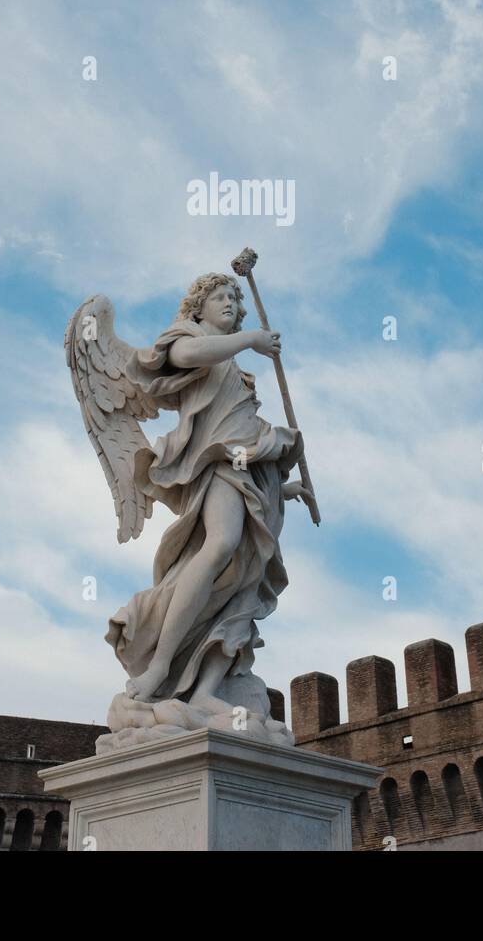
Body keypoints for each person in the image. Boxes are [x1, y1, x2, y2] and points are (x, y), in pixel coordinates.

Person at [107, 271, 308, 706]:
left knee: (245, 582)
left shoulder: (233, 364)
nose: (231, 303)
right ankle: (161, 663)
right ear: (198, 306)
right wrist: (250, 339)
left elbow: (247, 436)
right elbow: (189, 353)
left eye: (235, 298)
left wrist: (283, 488)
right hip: (215, 465)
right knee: (219, 546)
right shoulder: (189, 338)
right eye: (220, 296)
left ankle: (204, 690)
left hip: (248, 473)